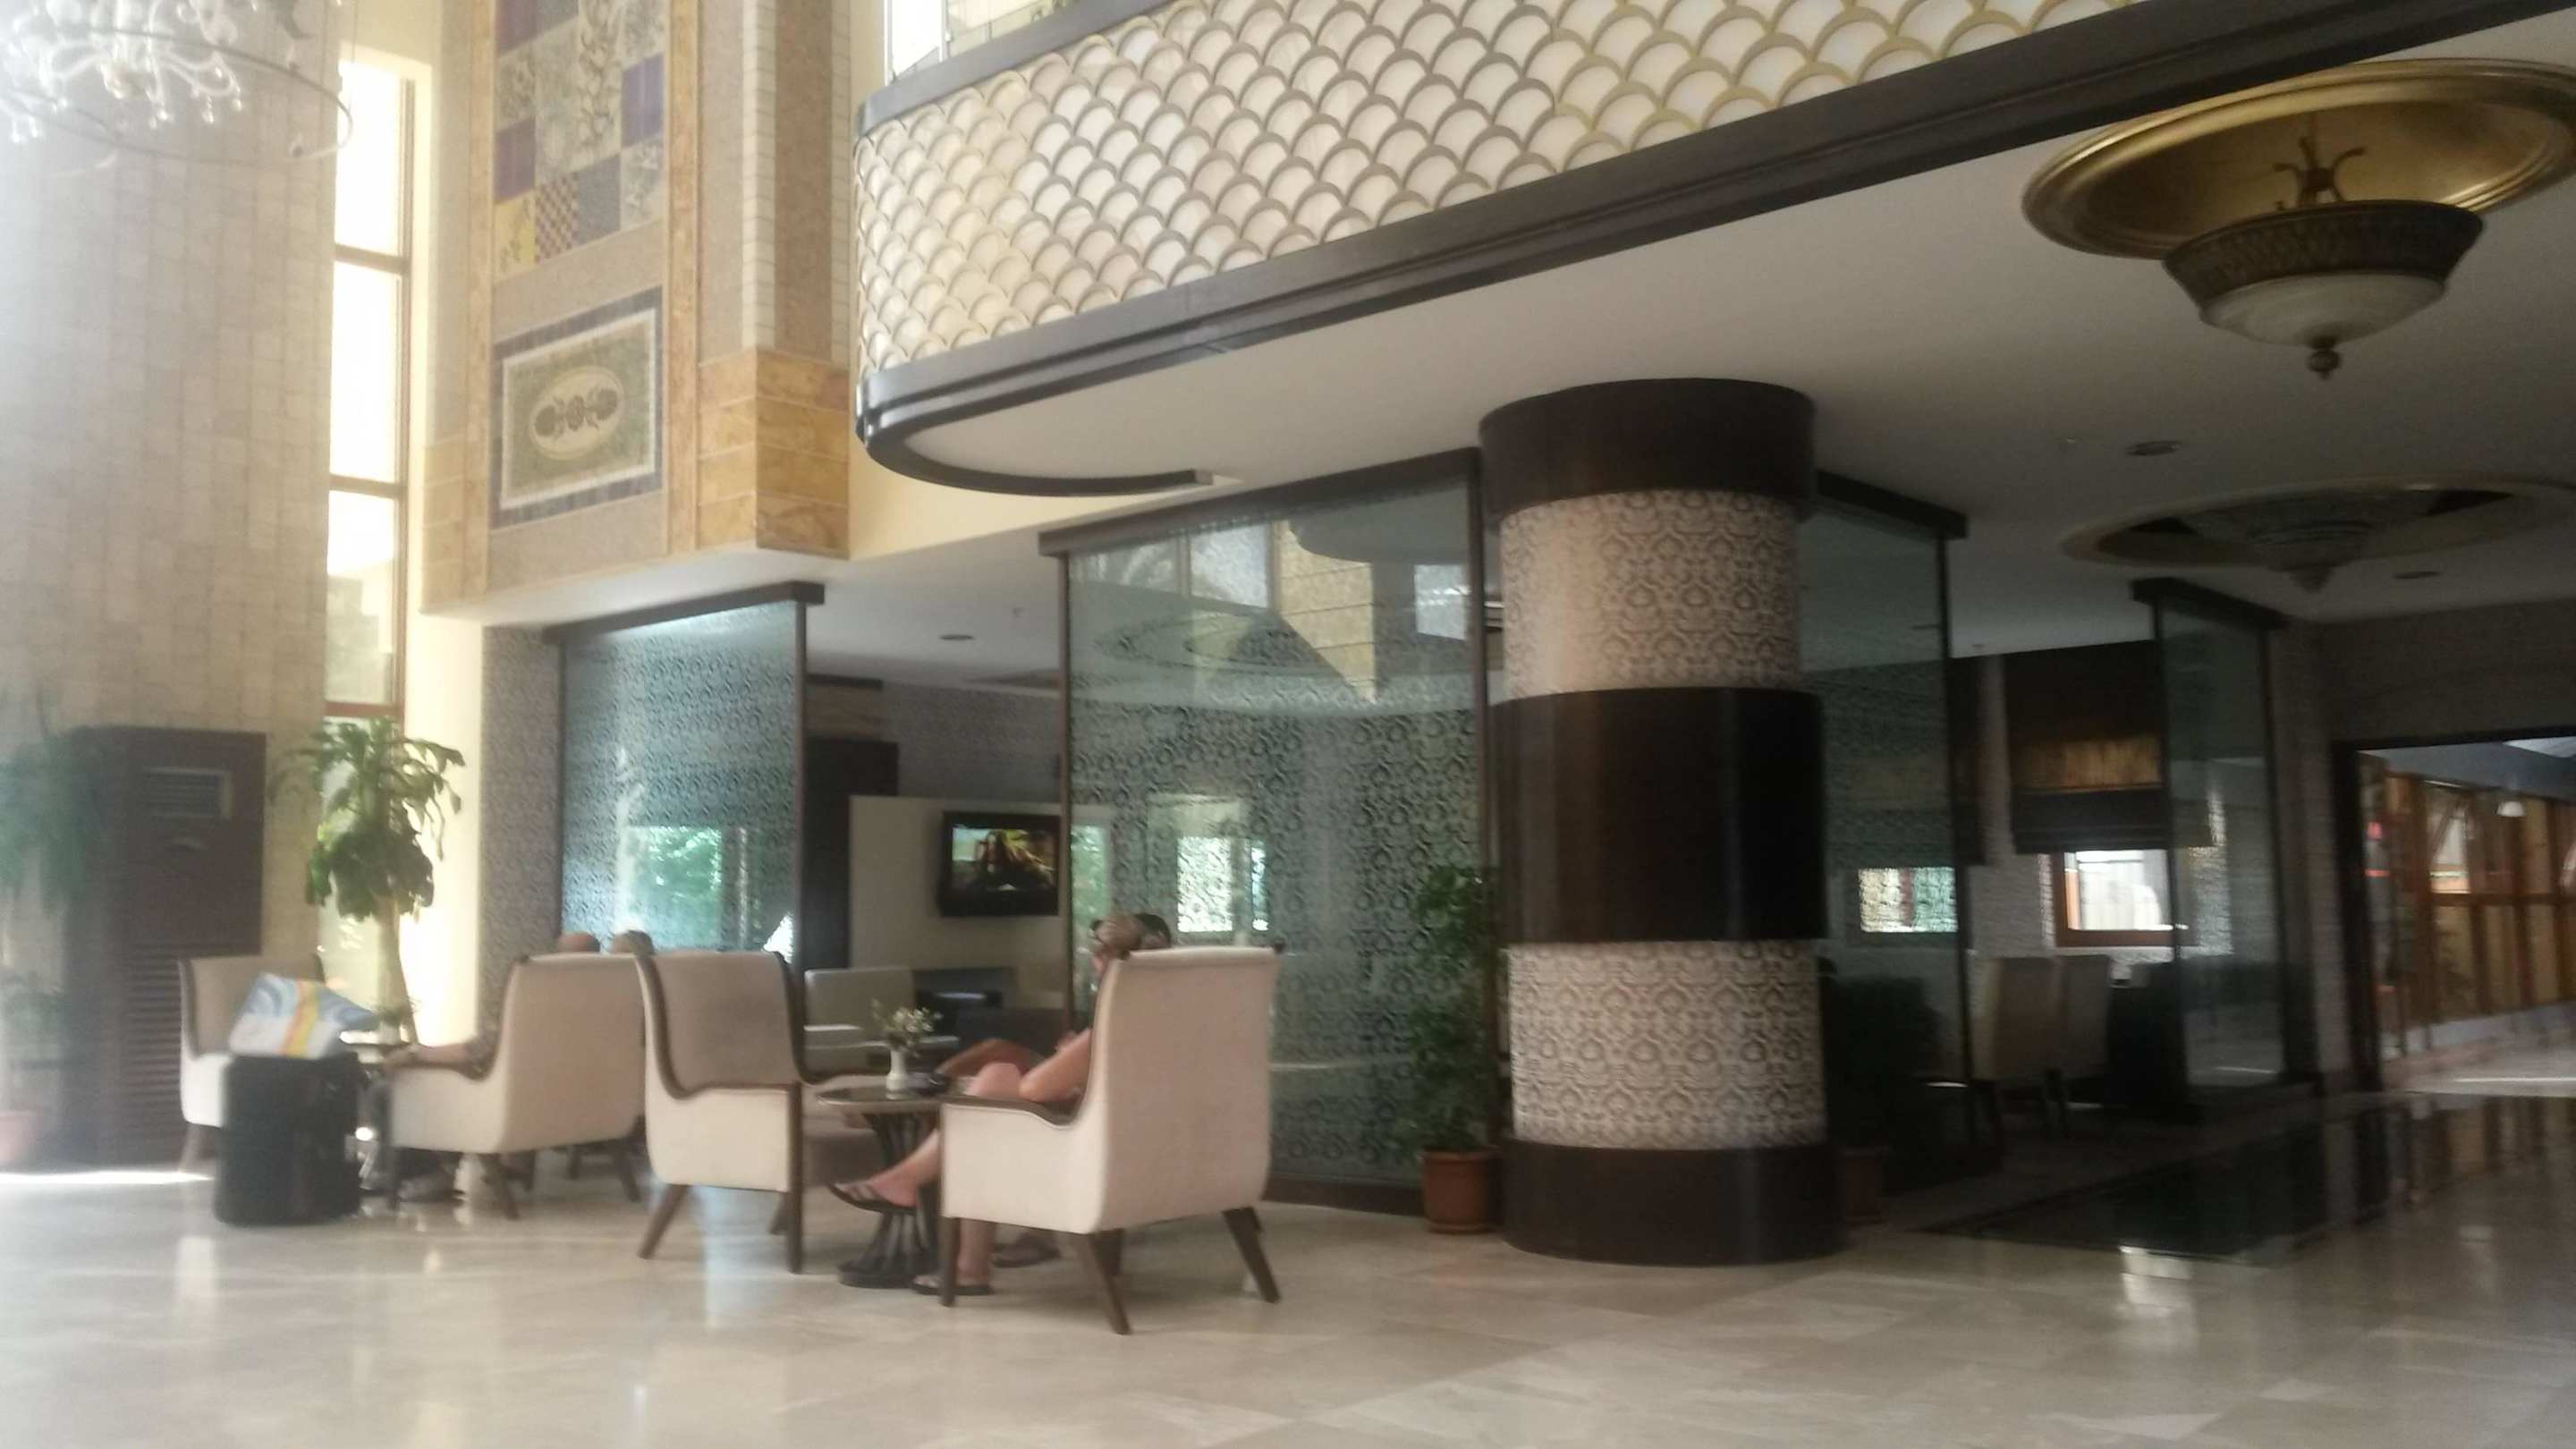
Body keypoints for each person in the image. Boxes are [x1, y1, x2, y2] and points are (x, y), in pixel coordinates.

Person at [831, 911, 1169, 1294]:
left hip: (1094, 1151)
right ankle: (923, 1203)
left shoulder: (1114, 1022)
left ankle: (926, 1207)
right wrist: (1075, 1072)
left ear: (1102, 961)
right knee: (995, 1079)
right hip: (1133, 1142)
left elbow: (1037, 1089)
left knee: (981, 1117)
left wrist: (1068, 1059)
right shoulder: (1165, 1020)